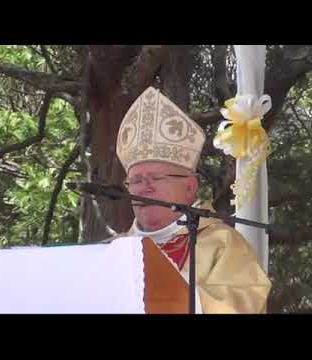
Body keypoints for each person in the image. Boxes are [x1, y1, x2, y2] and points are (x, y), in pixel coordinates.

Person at [116, 86, 271, 313]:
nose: (145, 188)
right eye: (137, 180)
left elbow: (238, 306)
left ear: (190, 187)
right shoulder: (115, 250)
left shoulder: (223, 244)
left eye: (156, 177)